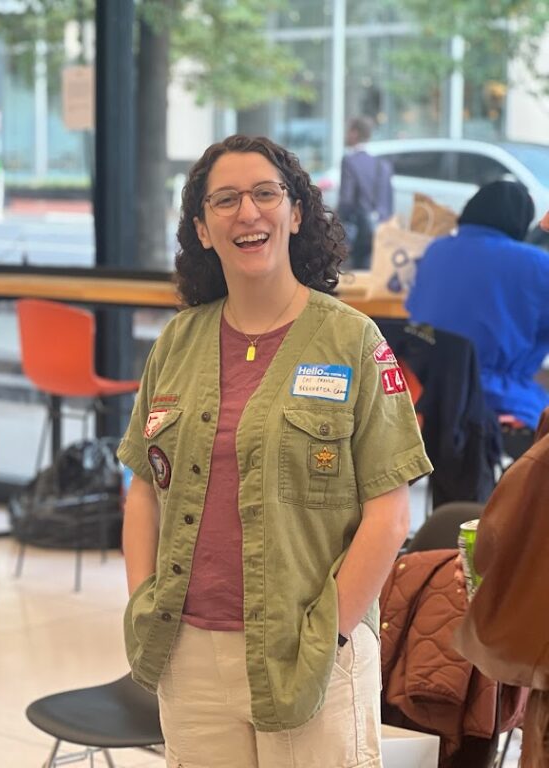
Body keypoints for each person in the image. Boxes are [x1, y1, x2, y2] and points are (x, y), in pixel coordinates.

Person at [119, 134, 432, 767]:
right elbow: (145, 491)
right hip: (191, 651)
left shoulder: (353, 342)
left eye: (266, 193)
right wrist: (143, 599)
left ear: (295, 213)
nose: (248, 212)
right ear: (202, 229)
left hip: (309, 650)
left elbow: (390, 513)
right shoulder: (177, 342)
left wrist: (331, 634)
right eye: (225, 200)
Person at [452, 205, 549, 768]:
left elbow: (495, 544)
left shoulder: (440, 251)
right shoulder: (533, 267)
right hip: (502, 400)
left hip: (457, 403)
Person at [406, 180, 549, 429]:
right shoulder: (537, 264)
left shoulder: (436, 250)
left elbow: (416, 312)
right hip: (500, 399)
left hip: (424, 393)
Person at [338, 116, 393, 269]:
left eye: (348, 131)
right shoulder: (382, 164)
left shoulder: (349, 161)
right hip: (379, 229)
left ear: (355, 133)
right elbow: (388, 201)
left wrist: (340, 221)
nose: (346, 135)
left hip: (359, 230)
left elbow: (347, 200)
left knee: (357, 273)